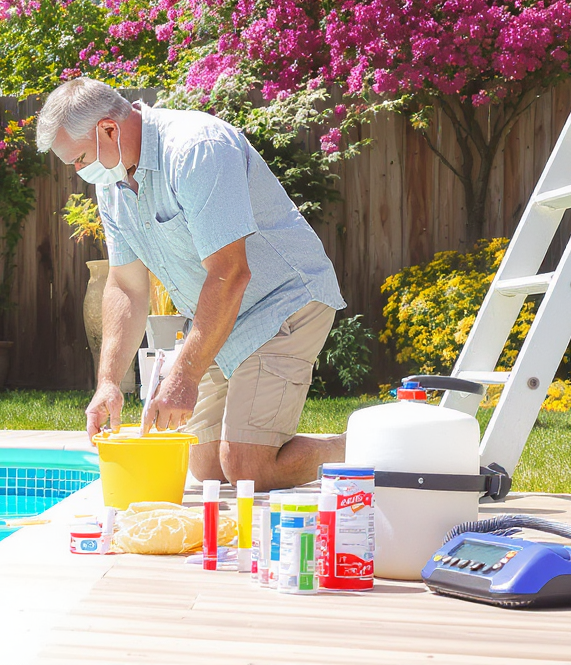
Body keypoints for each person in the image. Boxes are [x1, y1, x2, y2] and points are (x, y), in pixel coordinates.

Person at [37, 78, 347, 489]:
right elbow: (126, 285)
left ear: (108, 129)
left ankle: (362, 446)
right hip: (222, 314)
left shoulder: (197, 148)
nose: (79, 172)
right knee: (204, 462)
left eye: (79, 158)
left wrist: (184, 378)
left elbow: (230, 272)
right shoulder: (111, 183)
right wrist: (108, 382)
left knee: (247, 468)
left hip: (281, 302)